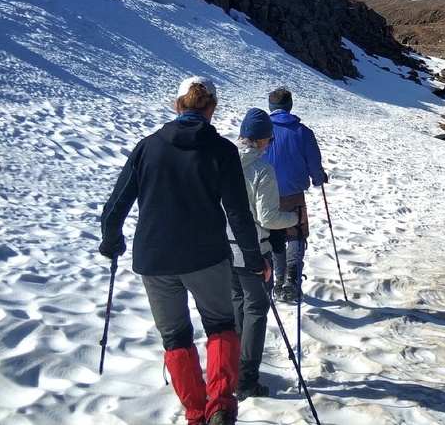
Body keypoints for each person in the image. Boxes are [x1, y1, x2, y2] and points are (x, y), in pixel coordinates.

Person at [100, 76, 268, 425]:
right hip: (206, 255)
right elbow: (238, 212)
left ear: (177, 106)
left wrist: (111, 239)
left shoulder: (148, 147)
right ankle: (220, 404)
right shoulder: (221, 150)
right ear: (212, 109)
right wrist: (253, 258)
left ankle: (195, 413)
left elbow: (117, 203)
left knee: (175, 336)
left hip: (154, 257)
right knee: (221, 325)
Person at [229, 108, 301, 400]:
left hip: (223, 249)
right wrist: (294, 218)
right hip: (252, 251)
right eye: (269, 140)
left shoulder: (222, 161)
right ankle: (247, 379)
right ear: (260, 140)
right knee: (256, 310)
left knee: (235, 307)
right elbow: (269, 218)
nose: (270, 144)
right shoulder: (261, 170)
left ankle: (230, 368)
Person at [263, 87, 327, 303]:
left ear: (270, 107)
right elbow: (313, 163)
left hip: (265, 193)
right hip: (294, 193)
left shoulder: (262, 130)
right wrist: (319, 179)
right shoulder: (302, 131)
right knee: (296, 234)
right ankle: (292, 277)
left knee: (274, 235)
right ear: (290, 105)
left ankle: (278, 281)